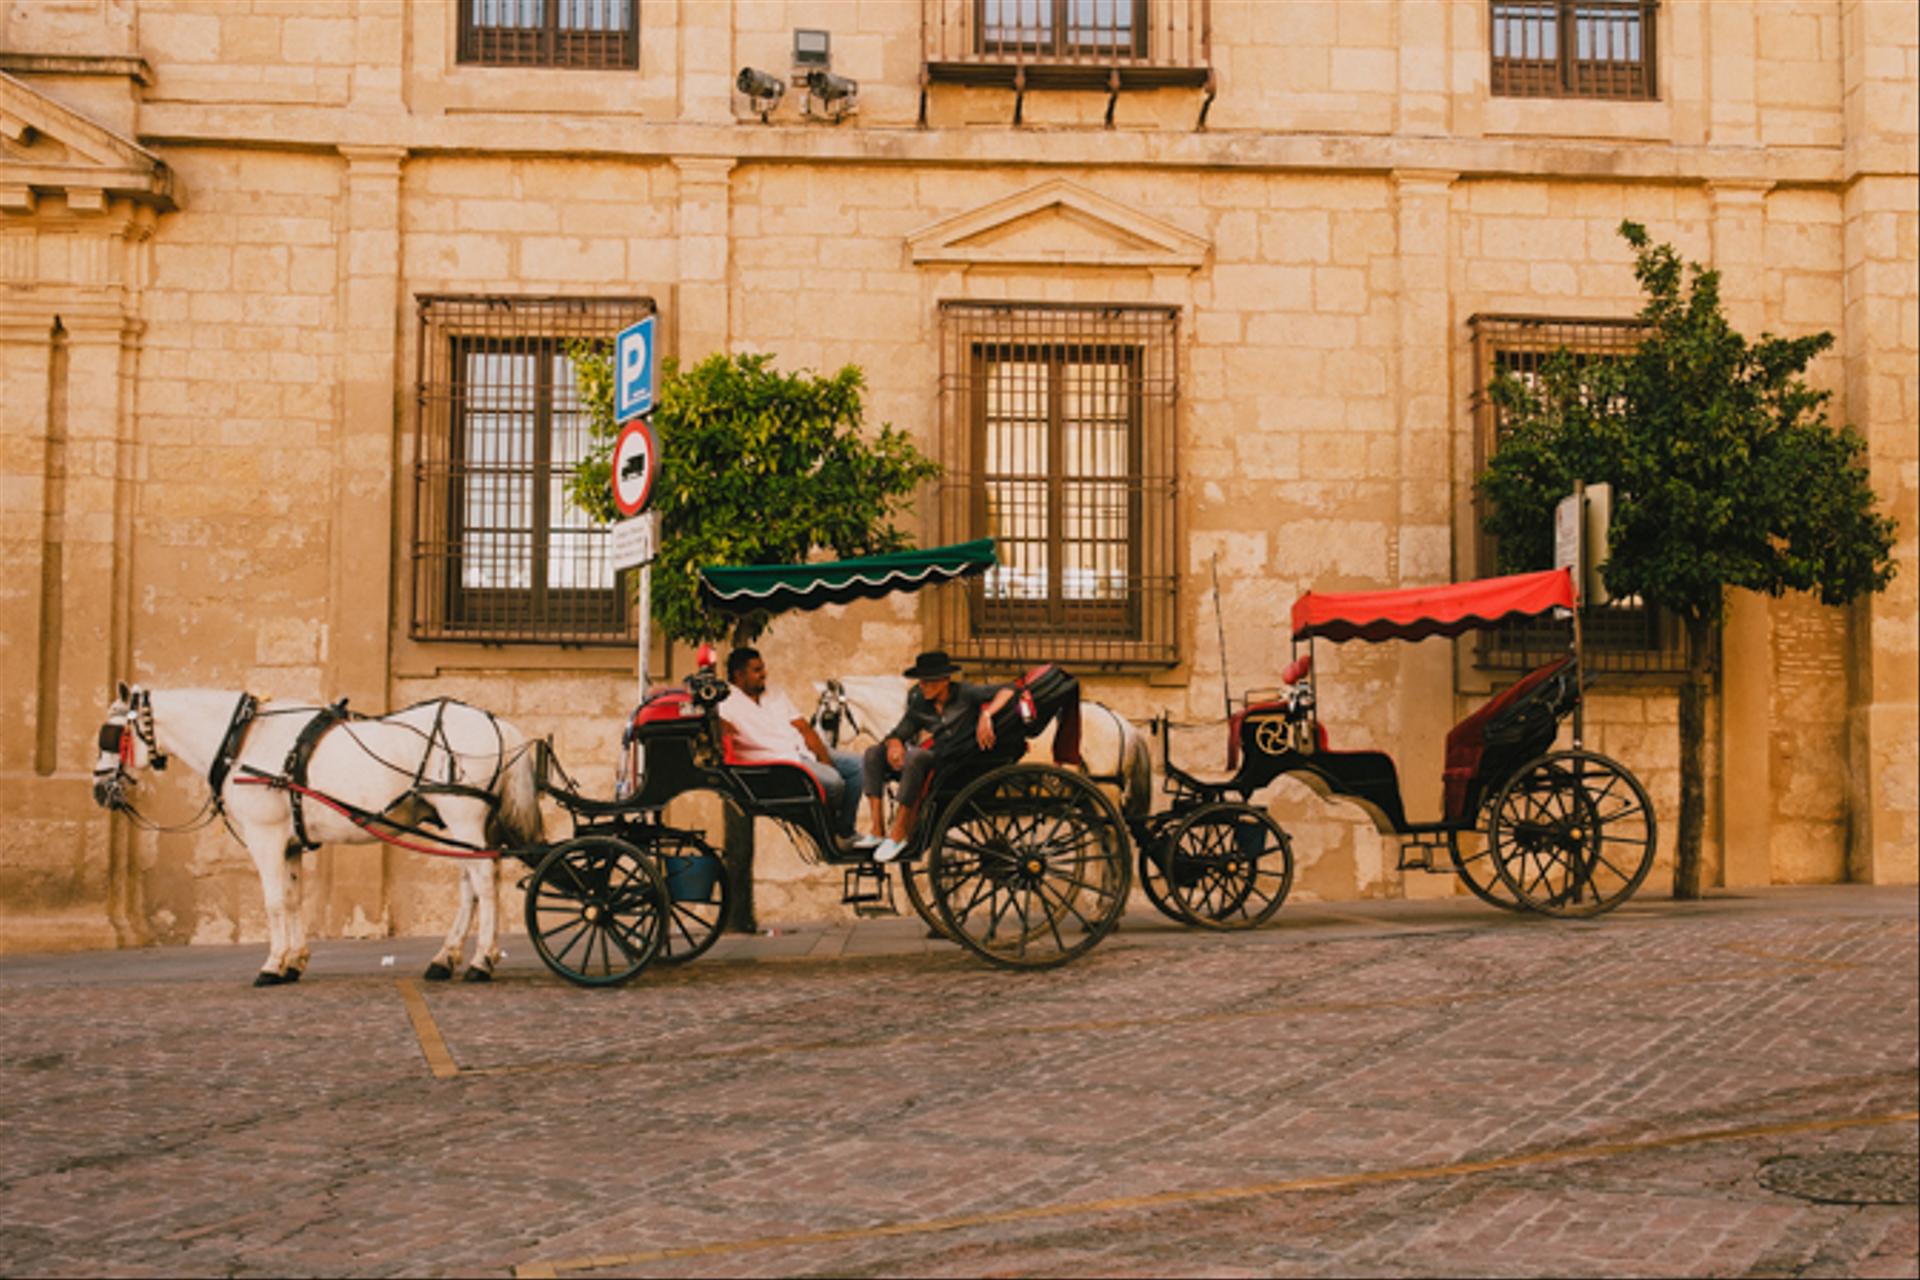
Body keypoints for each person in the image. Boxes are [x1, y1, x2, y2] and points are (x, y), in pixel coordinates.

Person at [865, 651, 1015, 863]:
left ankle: (898, 834)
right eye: (921, 681)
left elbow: (1010, 689)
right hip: (935, 758)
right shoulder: (920, 704)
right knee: (873, 753)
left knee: (916, 756)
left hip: (958, 760)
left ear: (945, 681)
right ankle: (877, 829)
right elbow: (898, 733)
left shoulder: (966, 693)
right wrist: (895, 745)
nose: (923, 686)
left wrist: (987, 714)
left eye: (928, 682)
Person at [719, 648, 863, 842]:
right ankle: (827, 831)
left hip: (801, 749)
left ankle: (844, 830)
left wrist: (824, 759)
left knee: (861, 765)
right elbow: (723, 733)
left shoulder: (775, 692)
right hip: (780, 762)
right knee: (833, 782)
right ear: (739, 675)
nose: (764, 674)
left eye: (763, 668)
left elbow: (804, 728)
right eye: (757, 670)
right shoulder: (725, 703)